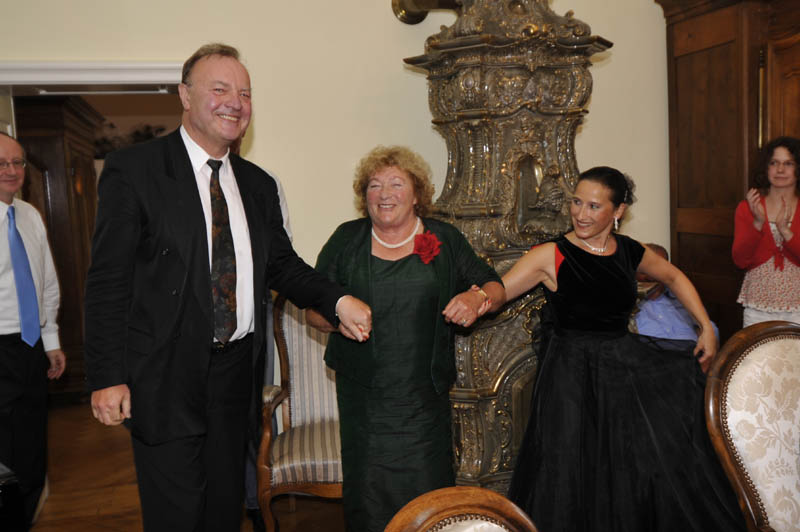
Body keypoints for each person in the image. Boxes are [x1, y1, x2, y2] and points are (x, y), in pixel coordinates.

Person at [84, 43, 371, 532]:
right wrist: (107, 376)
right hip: (164, 377)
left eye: (245, 93)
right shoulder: (135, 171)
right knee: (176, 516)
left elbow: (282, 266)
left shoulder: (258, 184)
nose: (235, 103)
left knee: (223, 510)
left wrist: (338, 299)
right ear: (184, 95)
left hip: (235, 377)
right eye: (220, 89)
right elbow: (108, 280)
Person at [498, 166, 745, 531]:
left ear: (618, 211)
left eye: (594, 206)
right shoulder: (552, 254)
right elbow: (501, 291)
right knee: (568, 467)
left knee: (628, 462)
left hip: (620, 370)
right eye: (577, 202)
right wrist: (476, 298)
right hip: (569, 376)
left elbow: (673, 275)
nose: (581, 214)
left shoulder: (629, 251)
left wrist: (705, 325)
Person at [306, 145, 503, 532]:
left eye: (396, 184)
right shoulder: (346, 239)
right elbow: (313, 310)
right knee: (369, 496)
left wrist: (475, 297)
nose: (384, 194)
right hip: (365, 402)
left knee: (428, 496)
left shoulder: (444, 238)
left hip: (423, 403)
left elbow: (495, 287)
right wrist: (336, 319)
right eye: (374, 185)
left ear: (417, 195)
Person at [0, 132, 66, 528]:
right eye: (1, 163)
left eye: (17, 162)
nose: (11, 171)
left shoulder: (29, 215)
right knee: (4, 457)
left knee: (31, 453)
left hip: (29, 347)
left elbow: (47, 282)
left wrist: (51, 339)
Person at [733, 136, 800, 326]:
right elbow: (740, 260)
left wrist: (785, 231)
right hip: (758, 307)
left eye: (788, 163)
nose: (780, 170)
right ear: (766, 167)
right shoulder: (747, 207)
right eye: (774, 163)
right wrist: (758, 223)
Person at [635, 242, 719, 341]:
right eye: (644, 272)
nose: (651, 277)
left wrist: (704, 336)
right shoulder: (628, 304)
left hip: (691, 349)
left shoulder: (683, 297)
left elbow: (709, 329)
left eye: (657, 272)